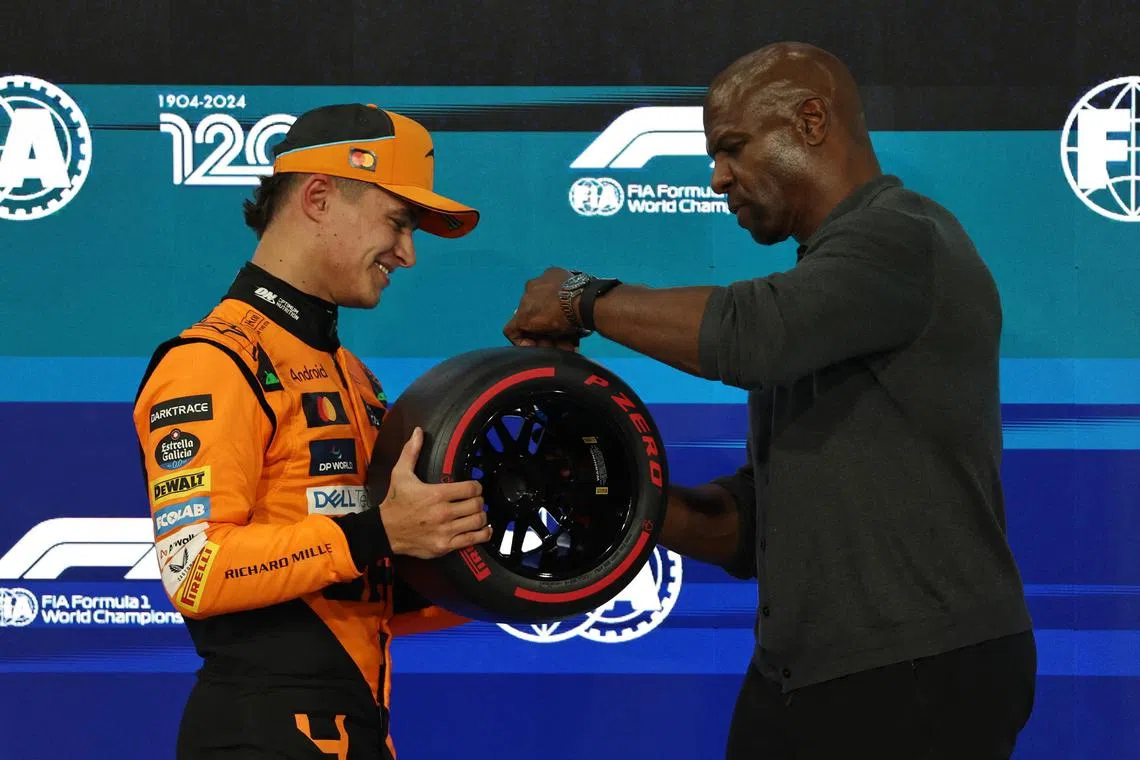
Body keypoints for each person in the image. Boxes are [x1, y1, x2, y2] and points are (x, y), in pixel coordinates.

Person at [504, 42, 1037, 759]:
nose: (718, 176)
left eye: (732, 148)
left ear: (811, 121)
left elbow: (750, 333)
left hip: (919, 671)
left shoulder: (903, 238)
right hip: (808, 677)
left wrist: (579, 300)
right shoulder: (832, 288)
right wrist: (621, 504)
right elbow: (756, 523)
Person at [132, 103, 493, 760]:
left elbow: (360, 587)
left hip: (357, 729)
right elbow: (195, 572)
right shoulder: (211, 363)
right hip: (258, 736)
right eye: (398, 222)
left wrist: (488, 560)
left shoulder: (354, 376)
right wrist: (377, 532)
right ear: (320, 196)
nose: (408, 254)